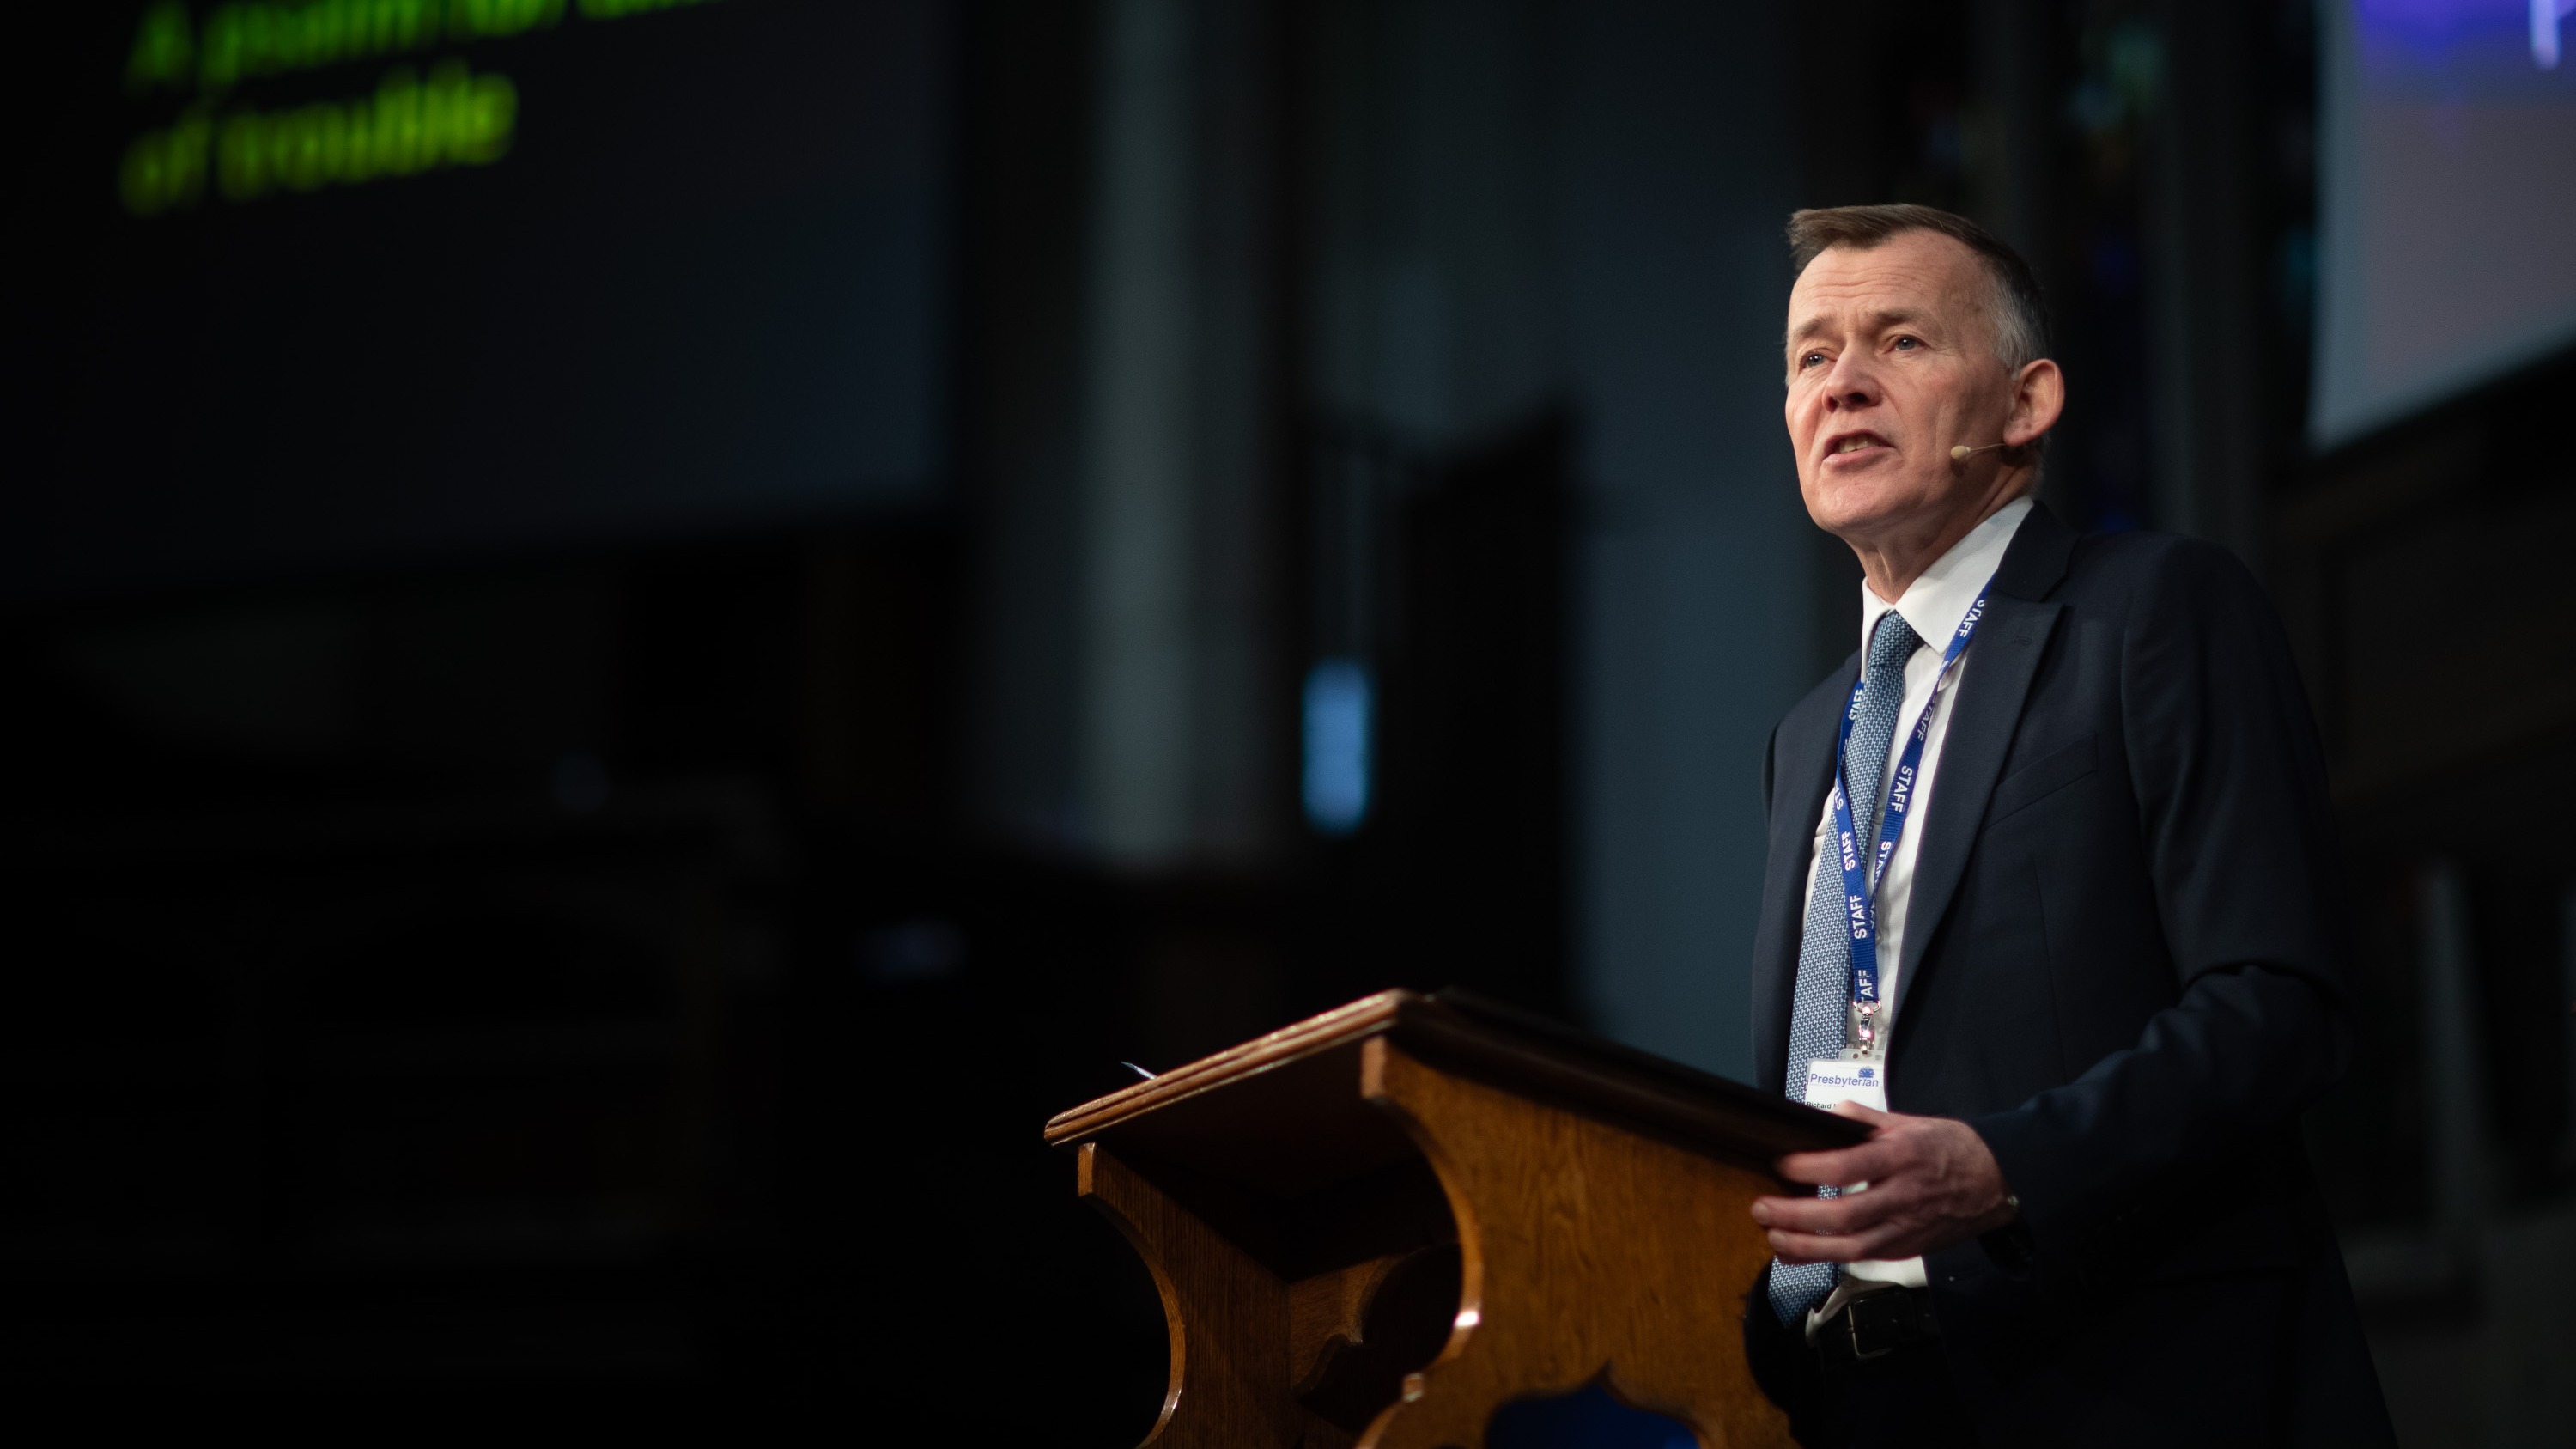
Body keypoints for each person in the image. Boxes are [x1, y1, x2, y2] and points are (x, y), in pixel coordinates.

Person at [1738, 204, 2395, 1447]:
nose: (1843, 384)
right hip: (1851, 1404)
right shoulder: (1807, 736)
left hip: (2123, 1381)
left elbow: (2280, 1002)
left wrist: (2006, 1168)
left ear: (2026, 403)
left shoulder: (2151, 614)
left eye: (1901, 342)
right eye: (1812, 356)